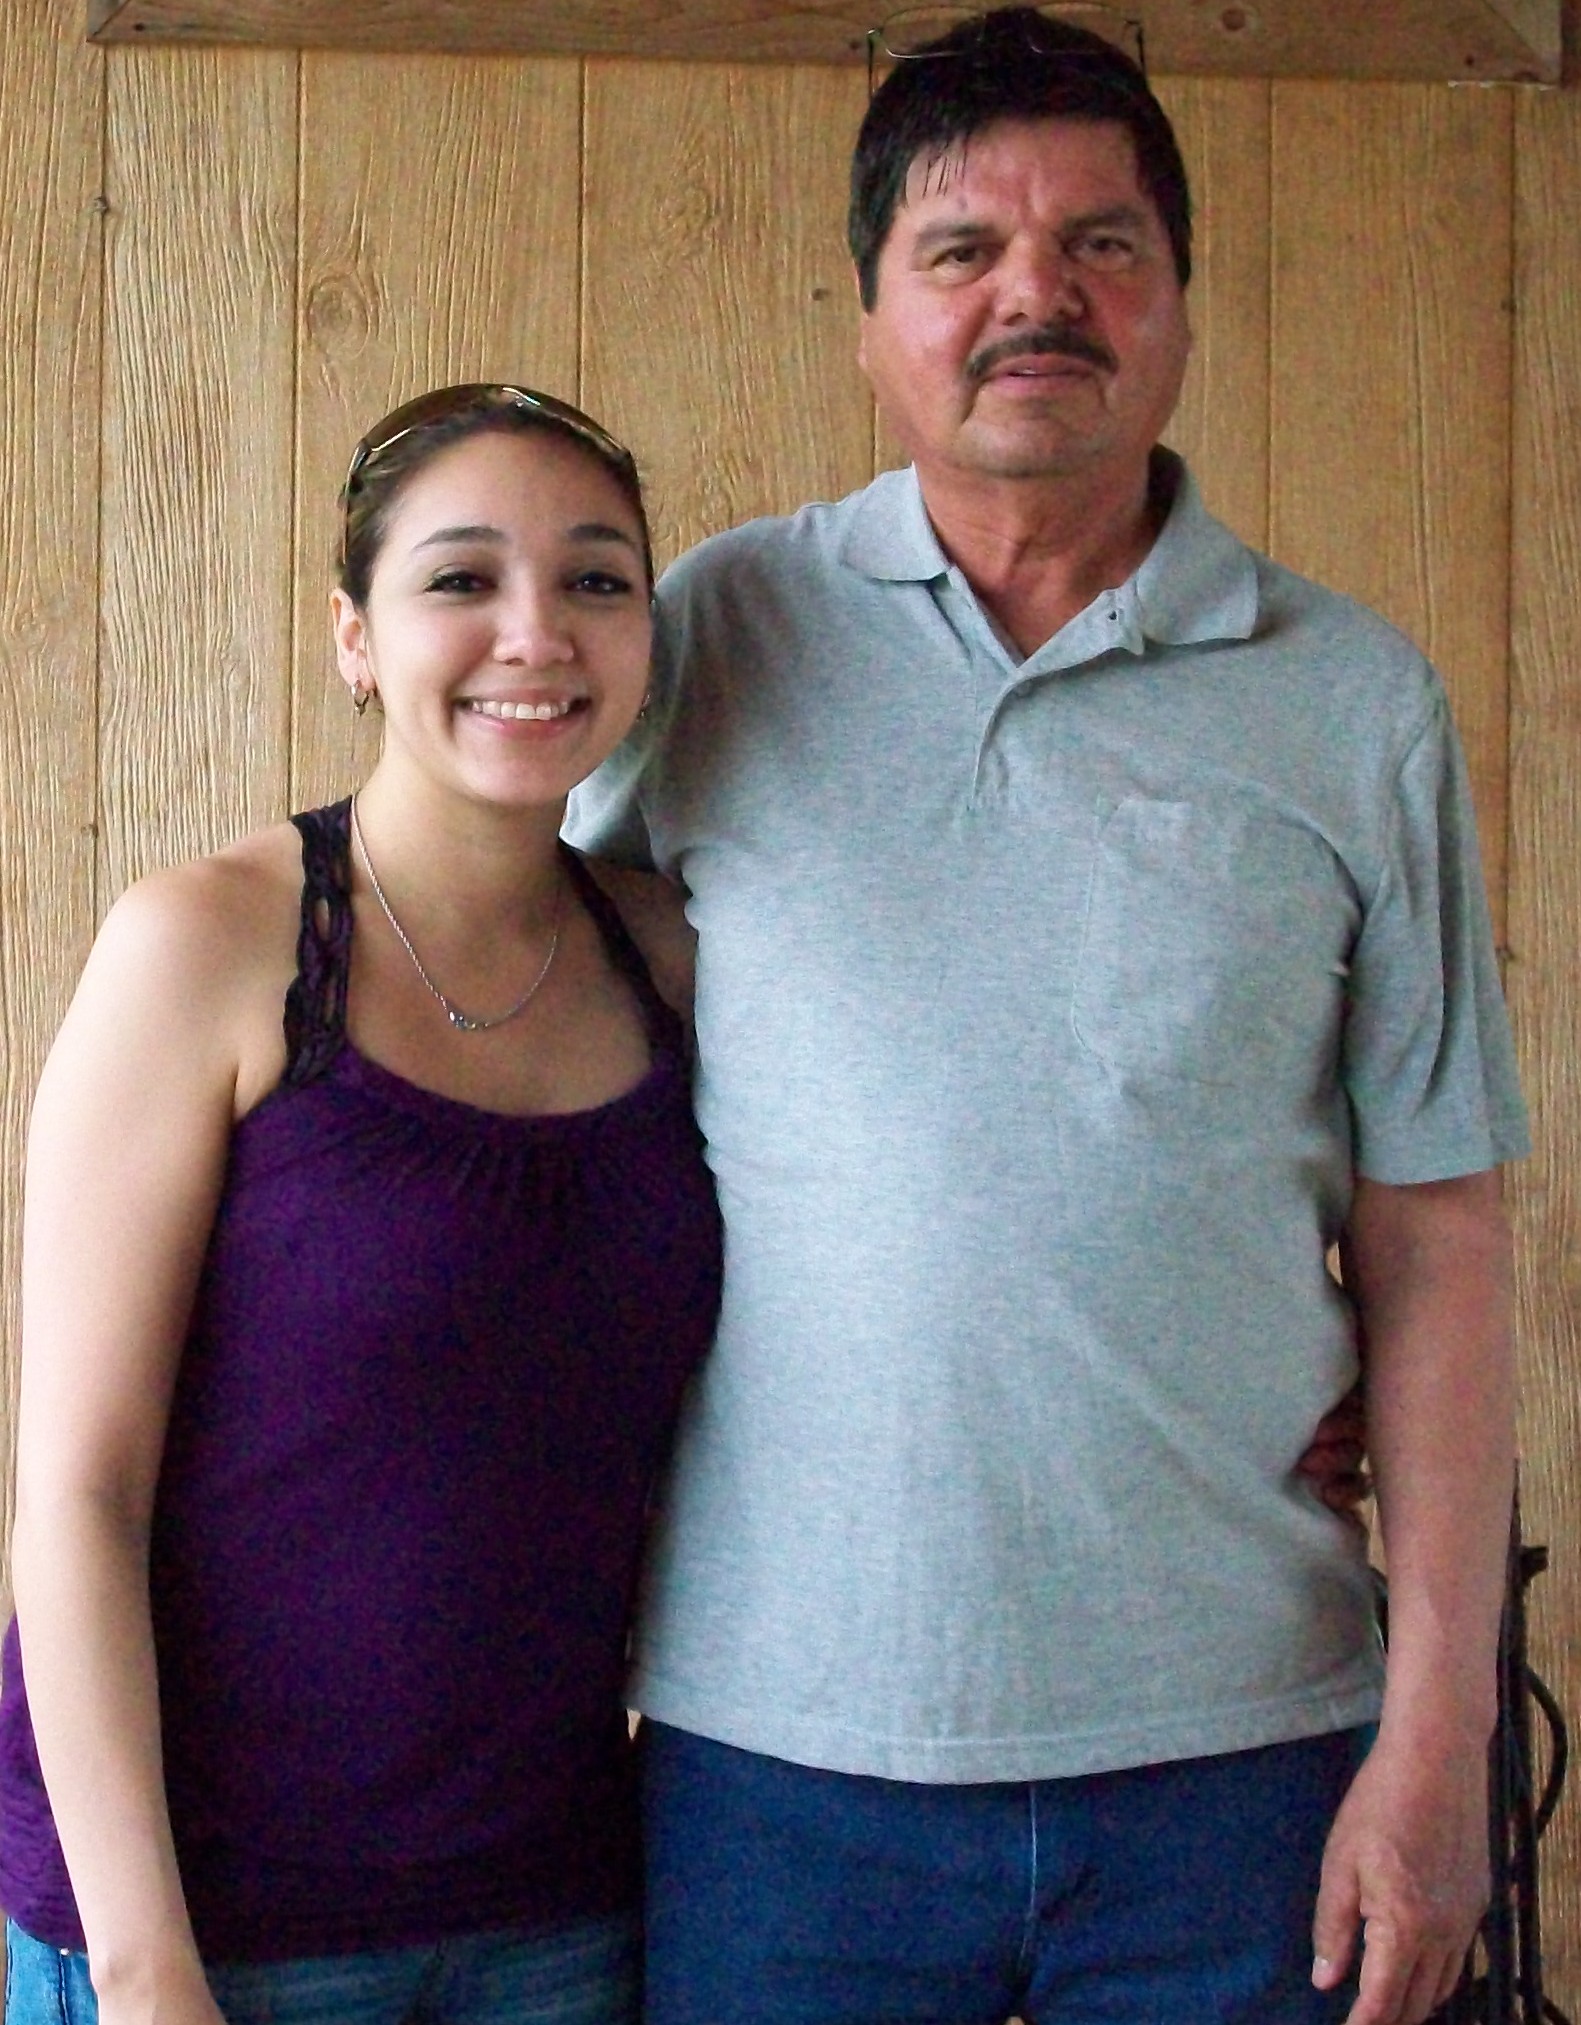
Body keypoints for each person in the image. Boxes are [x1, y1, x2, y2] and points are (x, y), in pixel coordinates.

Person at [565, 12, 1529, 2024]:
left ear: (1176, 303)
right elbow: (515, 1020)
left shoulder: (1351, 698)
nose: (1036, 296)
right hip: (777, 1746)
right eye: (960, 251)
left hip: (1245, 1744)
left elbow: (1435, 1228)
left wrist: (1434, 1744)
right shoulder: (711, 634)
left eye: (1102, 245)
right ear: (867, 319)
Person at [0, 384, 722, 2025]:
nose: (534, 631)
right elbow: (79, 1493)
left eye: (595, 578)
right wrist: (144, 1964)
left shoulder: (677, 962)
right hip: (210, 1919)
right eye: (461, 578)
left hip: (558, 1910)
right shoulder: (208, 945)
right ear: (355, 638)